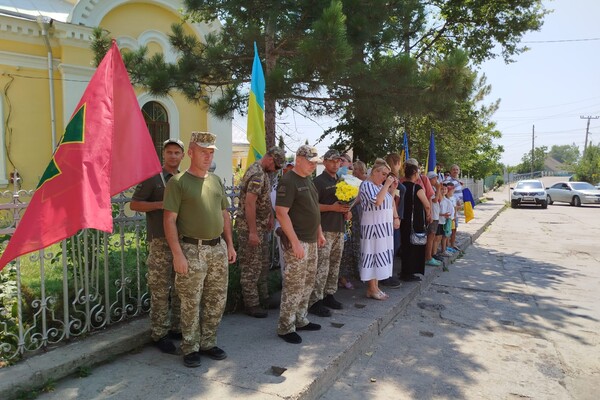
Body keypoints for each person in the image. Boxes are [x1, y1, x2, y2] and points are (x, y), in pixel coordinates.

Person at [163, 131, 236, 368]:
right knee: (190, 301)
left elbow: (224, 214)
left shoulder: (214, 181)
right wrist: (177, 254)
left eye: (211, 152)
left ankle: (208, 342)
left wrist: (230, 245)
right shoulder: (178, 182)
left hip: (217, 248)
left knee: (216, 299)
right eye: (203, 151)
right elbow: (169, 220)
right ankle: (190, 346)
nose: (208, 156)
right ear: (191, 153)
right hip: (191, 249)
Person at [130, 138, 185, 354]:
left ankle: (177, 328)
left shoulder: (183, 179)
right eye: (169, 152)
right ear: (163, 155)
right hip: (160, 242)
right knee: (160, 289)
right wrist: (160, 204)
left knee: (181, 287)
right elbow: (134, 203)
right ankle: (159, 333)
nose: (173, 156)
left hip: (181, 242)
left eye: (177, 152)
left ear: (182, 156)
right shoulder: (153, 178)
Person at [275, 145, 326, 344]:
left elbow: (313, 209)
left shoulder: (308, 180)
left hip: (311, 240)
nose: (314, 165)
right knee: (294, 285)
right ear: (299, 159)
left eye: (315, 162)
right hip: (298, 241)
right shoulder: (289, 180)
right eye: (311, 162)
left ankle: (300, 318)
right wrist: (295, 243)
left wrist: (319, 232)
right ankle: (285, 326)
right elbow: (281, 212)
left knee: (307, 282)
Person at [237, 146, 286, 318]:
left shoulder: (263, 172)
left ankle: (263, 297)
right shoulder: (257, 174)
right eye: (277, 167)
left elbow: (262, 200)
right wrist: (252, 232)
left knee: (263, 264)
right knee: (251, 266)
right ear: (270, 159)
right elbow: (250, 204)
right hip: (251, 228)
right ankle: (251, 303)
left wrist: (270, 216)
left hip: (260, 226)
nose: (276, 170)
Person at [309, 149, 350, 317]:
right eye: (332, 161)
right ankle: (315, 301)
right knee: (321, 267)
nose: (335, 164)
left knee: (334, 264)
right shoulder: (318, 182)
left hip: (339, 228)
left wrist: (347, 211)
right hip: (323, 229)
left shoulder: (342, 180)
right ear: (324, 162)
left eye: (338, 161)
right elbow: (311, 206)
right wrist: (332, 208)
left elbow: (345, 202)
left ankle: (329, 295)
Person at [359, 158, 400, 300]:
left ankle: (375, 287)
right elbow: (377, 201)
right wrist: (387, 184)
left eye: (387, 175)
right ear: (375, 172)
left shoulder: (378, 186)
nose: (385, 177)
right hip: (373, 227)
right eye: (383, 174)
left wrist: (392, 189)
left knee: (379, 255)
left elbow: (389, 201)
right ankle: (371, 288)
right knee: (372, 255)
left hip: (383, 227)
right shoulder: (367, 185)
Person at [399, 163, 432, 282]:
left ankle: (404, 271)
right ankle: (410, 272)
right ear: (414, 173)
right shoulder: (417, 188)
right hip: (415, 221)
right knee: (415, 246)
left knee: (405, 246)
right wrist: (428, 215)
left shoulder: (401, 186)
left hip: (403, 220)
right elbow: (427, 205)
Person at [338, 160, 367, 289]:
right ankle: (343, 277)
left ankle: (354, 274)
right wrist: (349, 205)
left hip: (357, 216)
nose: (353, 171)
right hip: (349, 215)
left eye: (355, 169)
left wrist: (352, 204)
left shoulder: (365, 182)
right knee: (347, 245)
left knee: (355, 244)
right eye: (352, 169)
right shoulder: (346, 181)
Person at [443, 164, 464, 251]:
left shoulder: (457, 180)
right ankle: (447, 246)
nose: (455, 171)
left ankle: (452, 244)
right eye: (454, 169)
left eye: (457, 169)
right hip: (451, 206)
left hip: (456, 205)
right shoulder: (448, 180)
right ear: (451, 171)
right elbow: (447, 193)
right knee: (449, 227)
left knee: (454, 227)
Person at [425, 171, 442, 267]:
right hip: (433, 215)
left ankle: (430, 255)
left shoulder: (434, 188)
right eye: (434, 178)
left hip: (436, 214)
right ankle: (428, 257)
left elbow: (439, 199)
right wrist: (439, 188)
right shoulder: (430, 188)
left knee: (433, 236)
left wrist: (438, 189)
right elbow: (435, 200)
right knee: (430, 237)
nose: (436, 180)